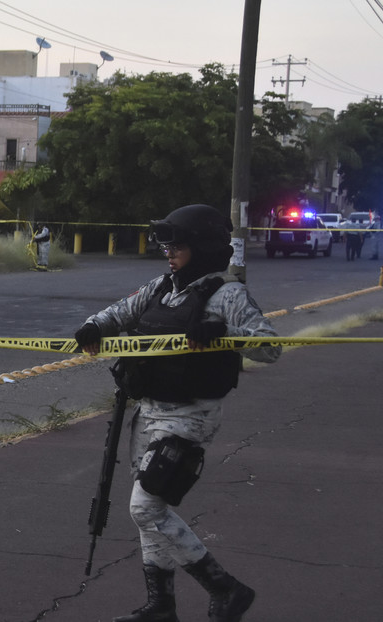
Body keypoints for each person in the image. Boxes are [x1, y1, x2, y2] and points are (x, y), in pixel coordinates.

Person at [73, 204, 281, 622]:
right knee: (149, 514)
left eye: (177, 247)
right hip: (148, 412)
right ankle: (160, 606)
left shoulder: (227, 294)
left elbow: (270, 347)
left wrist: (225, 333)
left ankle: (225, 588)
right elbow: (118, 313)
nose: (169, 254)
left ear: (202, 248)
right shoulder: (160, 287)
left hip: (190, 417)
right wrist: (94, 327)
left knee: (145, 507)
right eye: (166, 247)